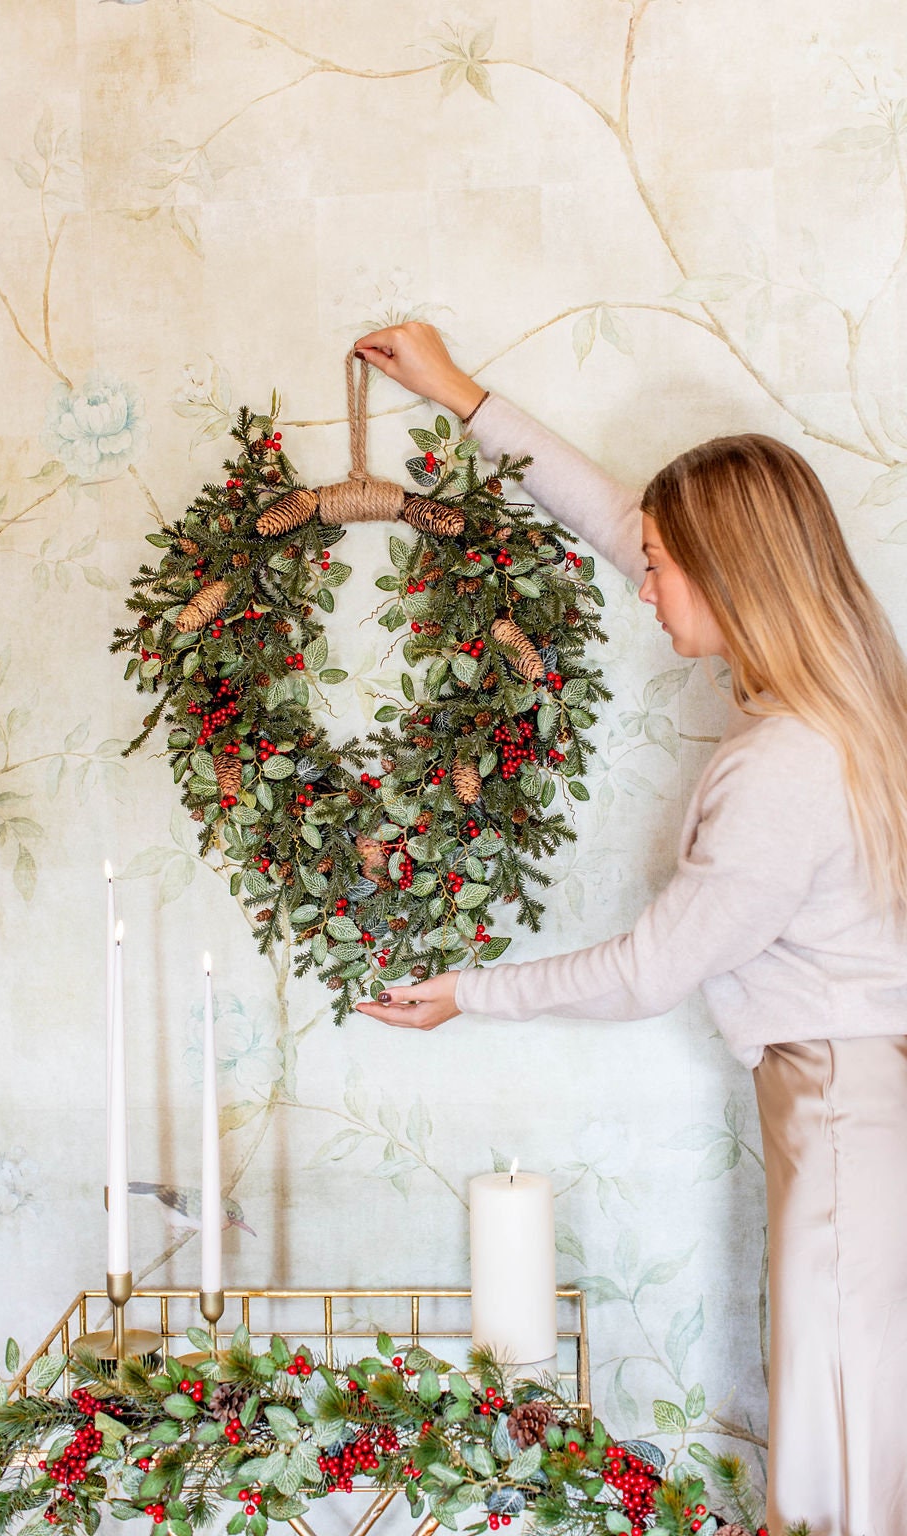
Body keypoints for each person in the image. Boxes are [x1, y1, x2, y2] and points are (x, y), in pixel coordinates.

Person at [352, 322, 907, 1536]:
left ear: (729, 573)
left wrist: (467, 993)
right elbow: (619, 517)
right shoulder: (841, 694)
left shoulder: (785, 765)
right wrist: (459, 395)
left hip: (841, 1111)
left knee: (837, 1460)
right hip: (846, 1106)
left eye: (658, 569)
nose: (639, 585)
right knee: (846, 1432)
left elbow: (654, 967)